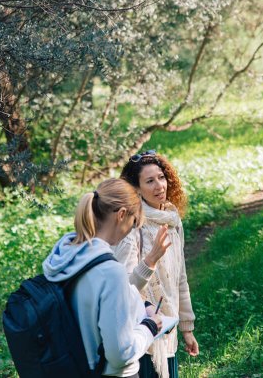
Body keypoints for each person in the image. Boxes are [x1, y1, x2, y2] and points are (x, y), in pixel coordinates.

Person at [42, 178, 163, 378]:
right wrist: (149, 327)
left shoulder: (67, 255)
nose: (130, 232)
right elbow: (120, 354)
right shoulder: (109, 271)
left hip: (74, 367)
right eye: (133, 224)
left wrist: (142, 304)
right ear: (122, 215)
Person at [112, 151, 199, 378]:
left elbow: (180, 278)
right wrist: (151, 259)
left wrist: (187, 329)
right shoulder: (131, 226)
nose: (159, 185)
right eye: (150, 181)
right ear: (137, 189)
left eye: (161, 177)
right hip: (142, 337)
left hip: (168, 336)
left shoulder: (172, 219)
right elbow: (124, 288)